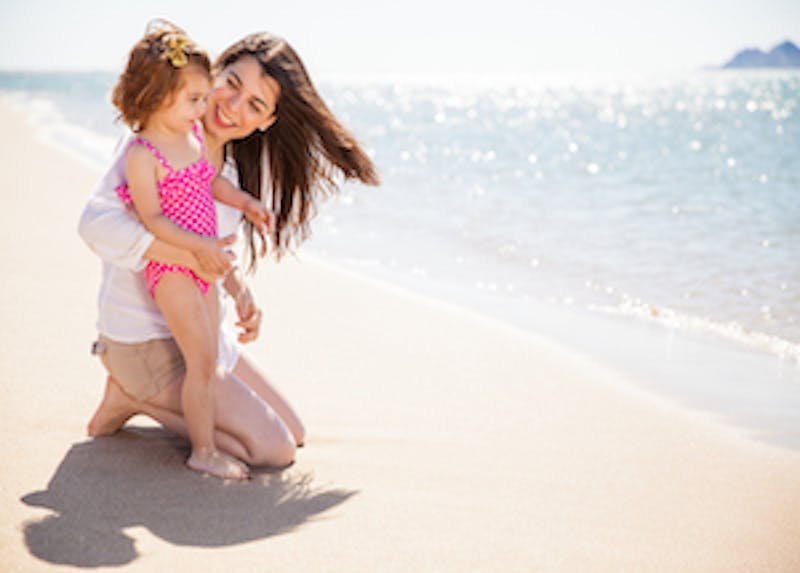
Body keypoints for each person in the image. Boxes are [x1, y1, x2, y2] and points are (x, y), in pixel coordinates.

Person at [79, 24, 379, 478]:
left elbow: (210, 242)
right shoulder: (158, 138)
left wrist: (238, 291)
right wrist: (190, 257)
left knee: (294, 431)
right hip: (144, 341)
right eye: (232, 84)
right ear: (214, 73)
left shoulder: (230, 175)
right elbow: (94, 224)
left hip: (201, 337)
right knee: (273, 450)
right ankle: (131, 393)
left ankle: (149, 398)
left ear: (267, 122)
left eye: (255, 104)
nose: (233, 106)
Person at [109, 23, 275, 480]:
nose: (205, 109)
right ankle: (203, 450)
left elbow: (212, 183)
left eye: (203, 98)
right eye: (194, 100)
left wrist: (246, 203)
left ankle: (201, 436)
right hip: (173, 271)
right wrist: (200, 247)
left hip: (203, 269)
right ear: (158, 97)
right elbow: (152, 220)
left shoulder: (193, 142)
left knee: (210, 361)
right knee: (201, 363)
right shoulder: (142, 153)